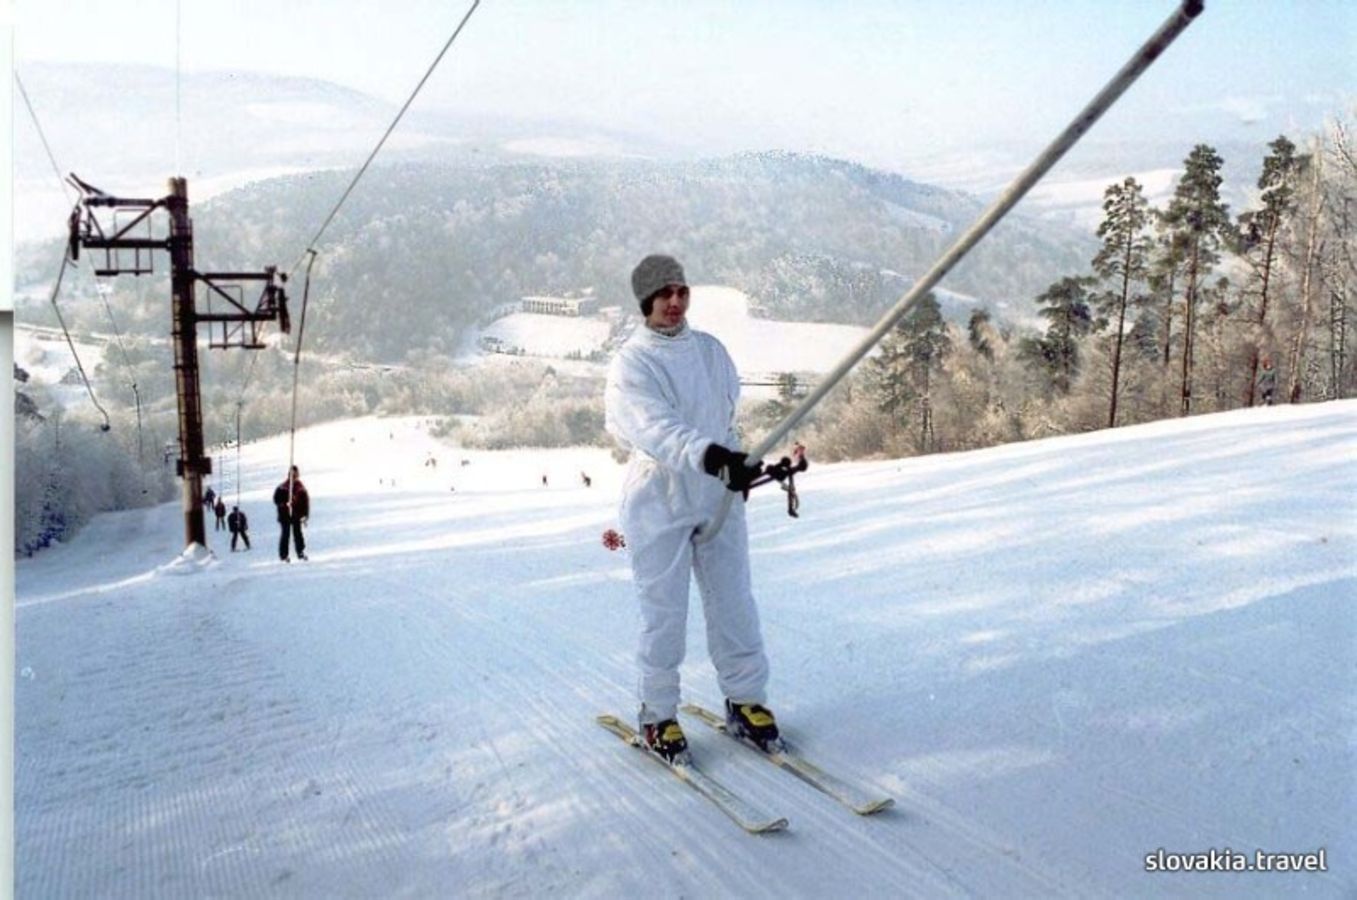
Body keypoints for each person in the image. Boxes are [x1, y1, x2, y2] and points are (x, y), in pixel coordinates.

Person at [604, 253, 779, 764]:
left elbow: (724, 418)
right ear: (646, 302)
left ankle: (746, 702)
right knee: (664, 613)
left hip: (715, 492)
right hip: (659, 496)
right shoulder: (632, 363)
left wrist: (737, 460)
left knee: (734, 603)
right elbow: (655, 429)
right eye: (664, 294)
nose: (675, 302)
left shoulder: (710, 351)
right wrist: (712, 456)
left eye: (681, 291)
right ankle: (658, 715)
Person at [273, 465, 310, 562]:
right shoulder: (283, 487)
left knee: (298, 534)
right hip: (285, 515)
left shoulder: (300, 488)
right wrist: (284, 504)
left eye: (295, 474)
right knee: (285, 534)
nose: (293, 476)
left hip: (296, 515)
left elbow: (305, 503)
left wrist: (305, 515)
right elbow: (276, 499)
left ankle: (300, 552)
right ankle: (284, 555)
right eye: (292, 474)